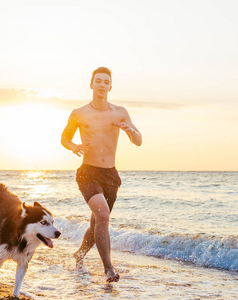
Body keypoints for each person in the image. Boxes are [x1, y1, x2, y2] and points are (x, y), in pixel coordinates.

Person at [61, 67, 142, 283]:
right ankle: (108, 269)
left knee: (97, 223)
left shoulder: (120, 112)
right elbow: (65, 138)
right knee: (103, 216)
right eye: (98, 81)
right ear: (91, 84)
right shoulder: (79, 113)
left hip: (110, 175)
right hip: (88, 172)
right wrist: (73, 146)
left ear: (110, 86)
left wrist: (130, 131)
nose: (102, 85)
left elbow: (138, 140)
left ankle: (79, 255)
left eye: (106, 82)